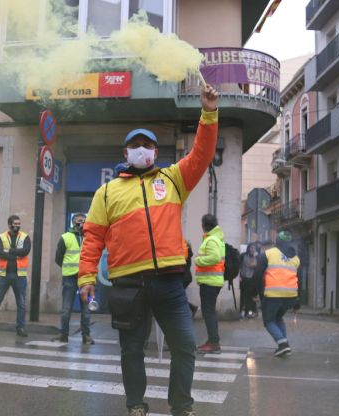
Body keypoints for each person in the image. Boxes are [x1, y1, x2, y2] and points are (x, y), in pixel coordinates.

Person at [78, 85, 219, 416]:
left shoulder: (173, 179)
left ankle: (181, 405)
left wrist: (209, 113)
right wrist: (86, 275)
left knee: (184, 345)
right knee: (131, 350)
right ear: (125, 153)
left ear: (156, 153)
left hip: (170, 283)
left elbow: (201, 153)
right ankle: (136, 405)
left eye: (148, 145)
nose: (142, 149)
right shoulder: (107, 192)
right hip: (128, 285)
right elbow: (93, 237)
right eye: (135, 145)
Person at [253, 230, 300, 357]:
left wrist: (257, 292)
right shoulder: (295, 258)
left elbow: (257, 275)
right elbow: (297, 278)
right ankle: (284, 345)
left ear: (277, 242)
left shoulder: (268, 254)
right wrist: (297, 300)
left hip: (273, 294)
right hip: (290, 296)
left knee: (268, 321)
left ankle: (283, 344)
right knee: (278, 318)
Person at [0, 215, 31, 337]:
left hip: (19, 275)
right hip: (3, 275)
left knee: (21, 303)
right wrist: (15, 255)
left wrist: (9, 251)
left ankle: (21, 328)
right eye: (15, 223)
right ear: (9, 225)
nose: (17, 226)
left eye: (19, 223)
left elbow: (25, 251)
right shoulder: (0, 237)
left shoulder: (25, 237)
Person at [52, 213, 94, 344]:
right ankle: (63, 334)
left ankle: (86, 336)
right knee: (66, 308)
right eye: (78, 221)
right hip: (69, 276)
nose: (81, 223)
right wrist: (67, 268)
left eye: (83, 221)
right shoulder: (65, 237)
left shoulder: (90, 237)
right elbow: (58, 258)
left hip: (86, 276)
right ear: (73, 222)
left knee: (86, 308)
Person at [194, 214, 225, 355]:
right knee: (209, 312)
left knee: (208, 312)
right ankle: (213, 341)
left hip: (210, 282)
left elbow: (214, 257)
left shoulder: (212, 240)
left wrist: (198, 260)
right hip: (212, 281)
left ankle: (213, 343)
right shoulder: (216, 238)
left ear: (204, 225)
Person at [239, 243, 259, 319]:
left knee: (250, 297)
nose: (252, 249)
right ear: (248, 248)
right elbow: (238, 266)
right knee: (242, 296)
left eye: (254, 248)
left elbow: (258, 268)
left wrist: (256, 265)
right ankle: (240, 312)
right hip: (243, 279)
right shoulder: (243, 256)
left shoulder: (256, 257)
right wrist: (239, 277)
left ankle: (249, 312)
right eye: (251, 248)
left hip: (252, 280)